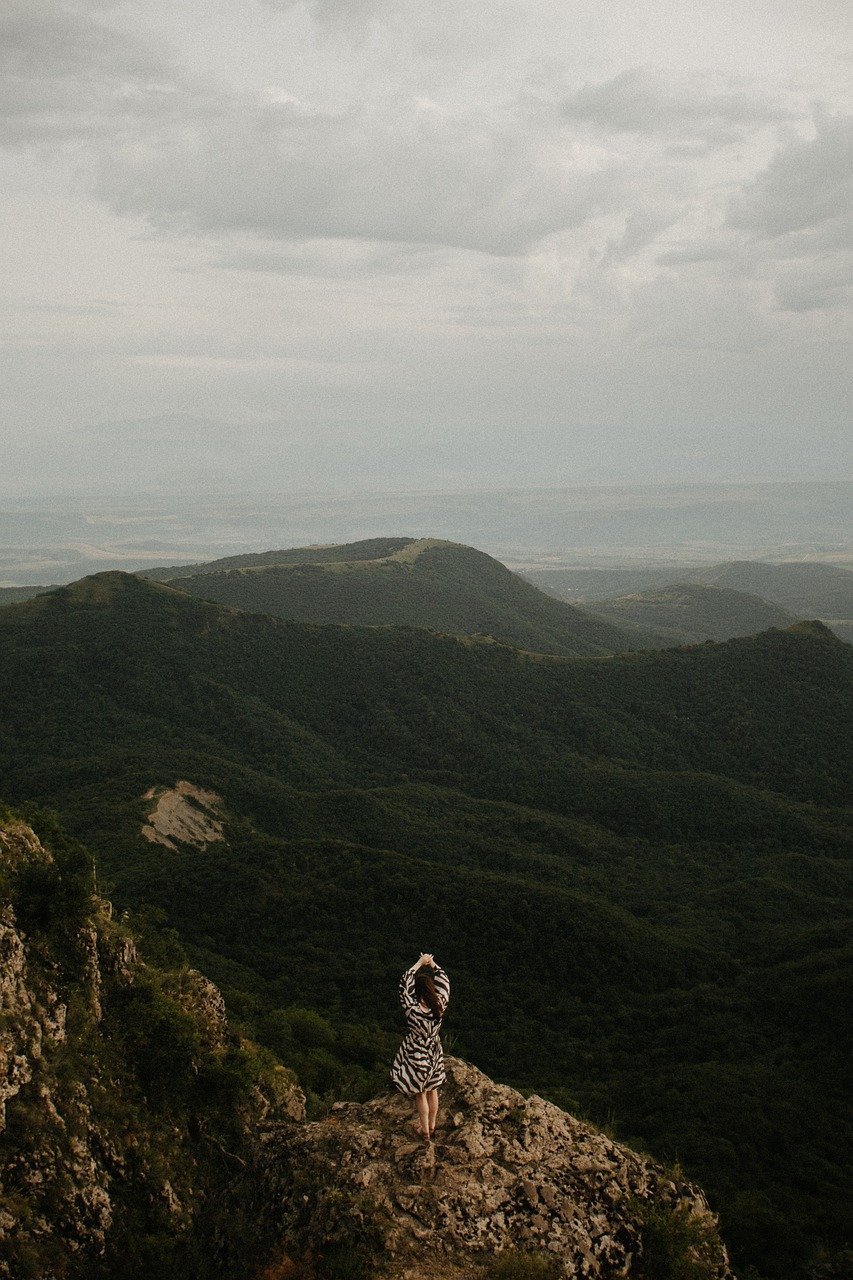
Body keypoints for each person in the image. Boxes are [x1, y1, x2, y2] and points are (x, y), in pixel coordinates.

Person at [390, 952, 450, 1143]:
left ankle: (424, 1132)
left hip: (417, 1051)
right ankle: (432, 1127)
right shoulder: (439, 1004)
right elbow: (445, 982)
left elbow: (403, 986)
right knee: (433, 1089)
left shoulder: (413, 1009)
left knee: (421, 1092)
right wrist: (432, 964)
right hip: (434, 1048)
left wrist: (419, 963)